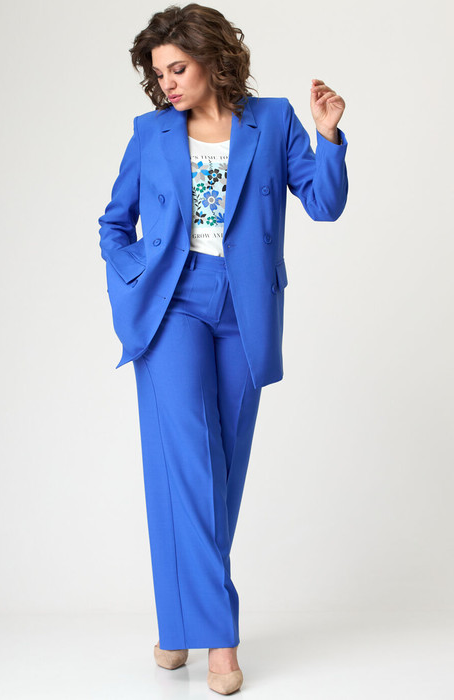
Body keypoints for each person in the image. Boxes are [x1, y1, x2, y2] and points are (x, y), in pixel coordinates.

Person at [97, 3, 348, 694]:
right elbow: (114, 222)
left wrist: (328, 137)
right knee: (188, 464)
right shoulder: (149, 133)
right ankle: (220, 641)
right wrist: (134, 274)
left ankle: (177, 623)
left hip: (245, 309)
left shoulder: (274, 121)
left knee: (220, 472)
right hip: (173, 303)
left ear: (212, 58)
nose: (168, 83)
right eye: (159, 74)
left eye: (178, 68)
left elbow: (323, 204)